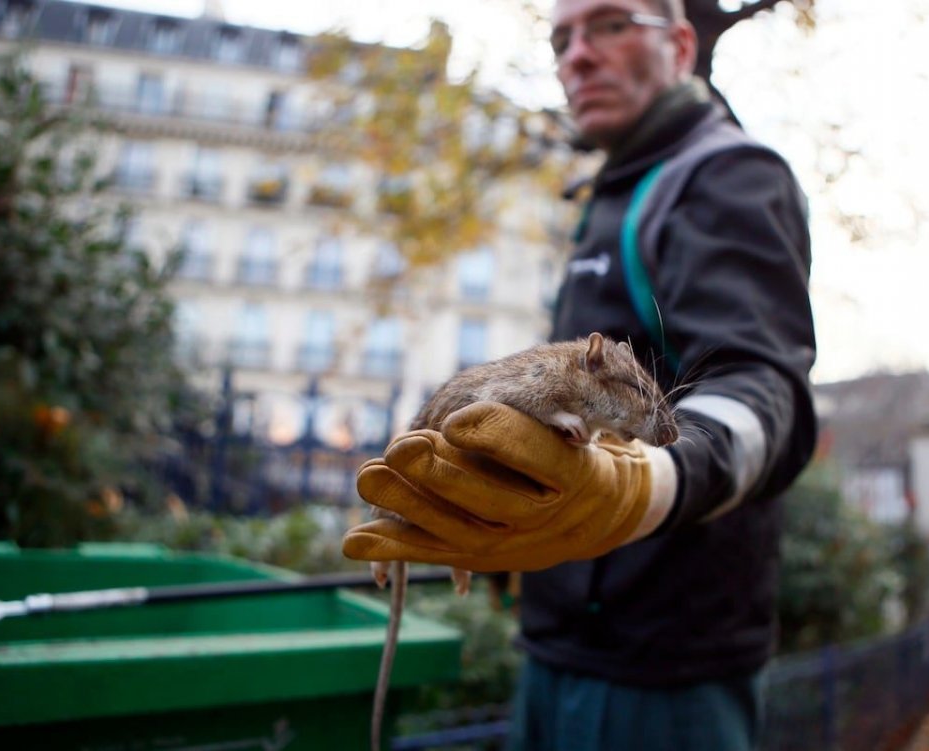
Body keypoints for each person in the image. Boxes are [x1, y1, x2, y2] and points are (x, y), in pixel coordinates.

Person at [343, 0, 816, 748]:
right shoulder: (611, 190)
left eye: (610, 24)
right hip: (558, 641)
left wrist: (646, 484)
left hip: (664, 667)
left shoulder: (725, 175)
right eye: (562, 37)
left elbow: (763, 390)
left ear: (682, 44)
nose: (577, 56)